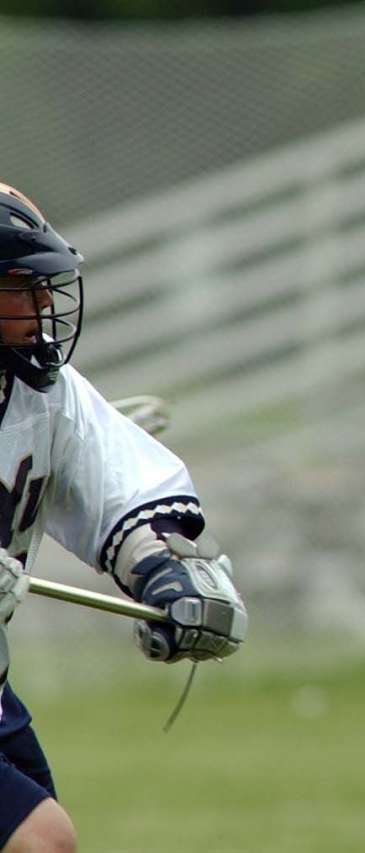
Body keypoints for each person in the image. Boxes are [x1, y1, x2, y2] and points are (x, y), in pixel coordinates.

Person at [0, 183, 247, 853]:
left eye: (43, 286)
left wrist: (165, 573)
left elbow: (121, 488)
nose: (42, 306)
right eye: (20, 287)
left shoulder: (45, 395)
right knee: (41, 840)